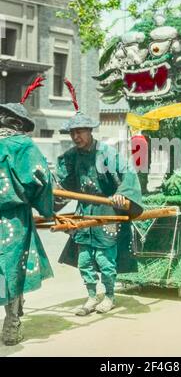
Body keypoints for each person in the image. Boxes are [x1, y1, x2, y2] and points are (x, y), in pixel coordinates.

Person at [56, 79, 143, 316]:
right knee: (84, 259)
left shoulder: (107, 153)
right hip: (84, 211)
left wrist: (120, 195)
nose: (76, 137)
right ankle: (92, 297)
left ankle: (110, 296)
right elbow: (62, 185)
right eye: (72, 132)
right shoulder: (71, 156)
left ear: (90, 131)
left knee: (105, 260)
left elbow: (129, 174)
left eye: (80, 132)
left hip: (107, 211)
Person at [0, 77, 54, 345]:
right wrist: (46, 207)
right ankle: (11, 323)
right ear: (17, 124)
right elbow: (40, 179)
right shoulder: (23, 146)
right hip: (12, 219)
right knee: (12, 268)